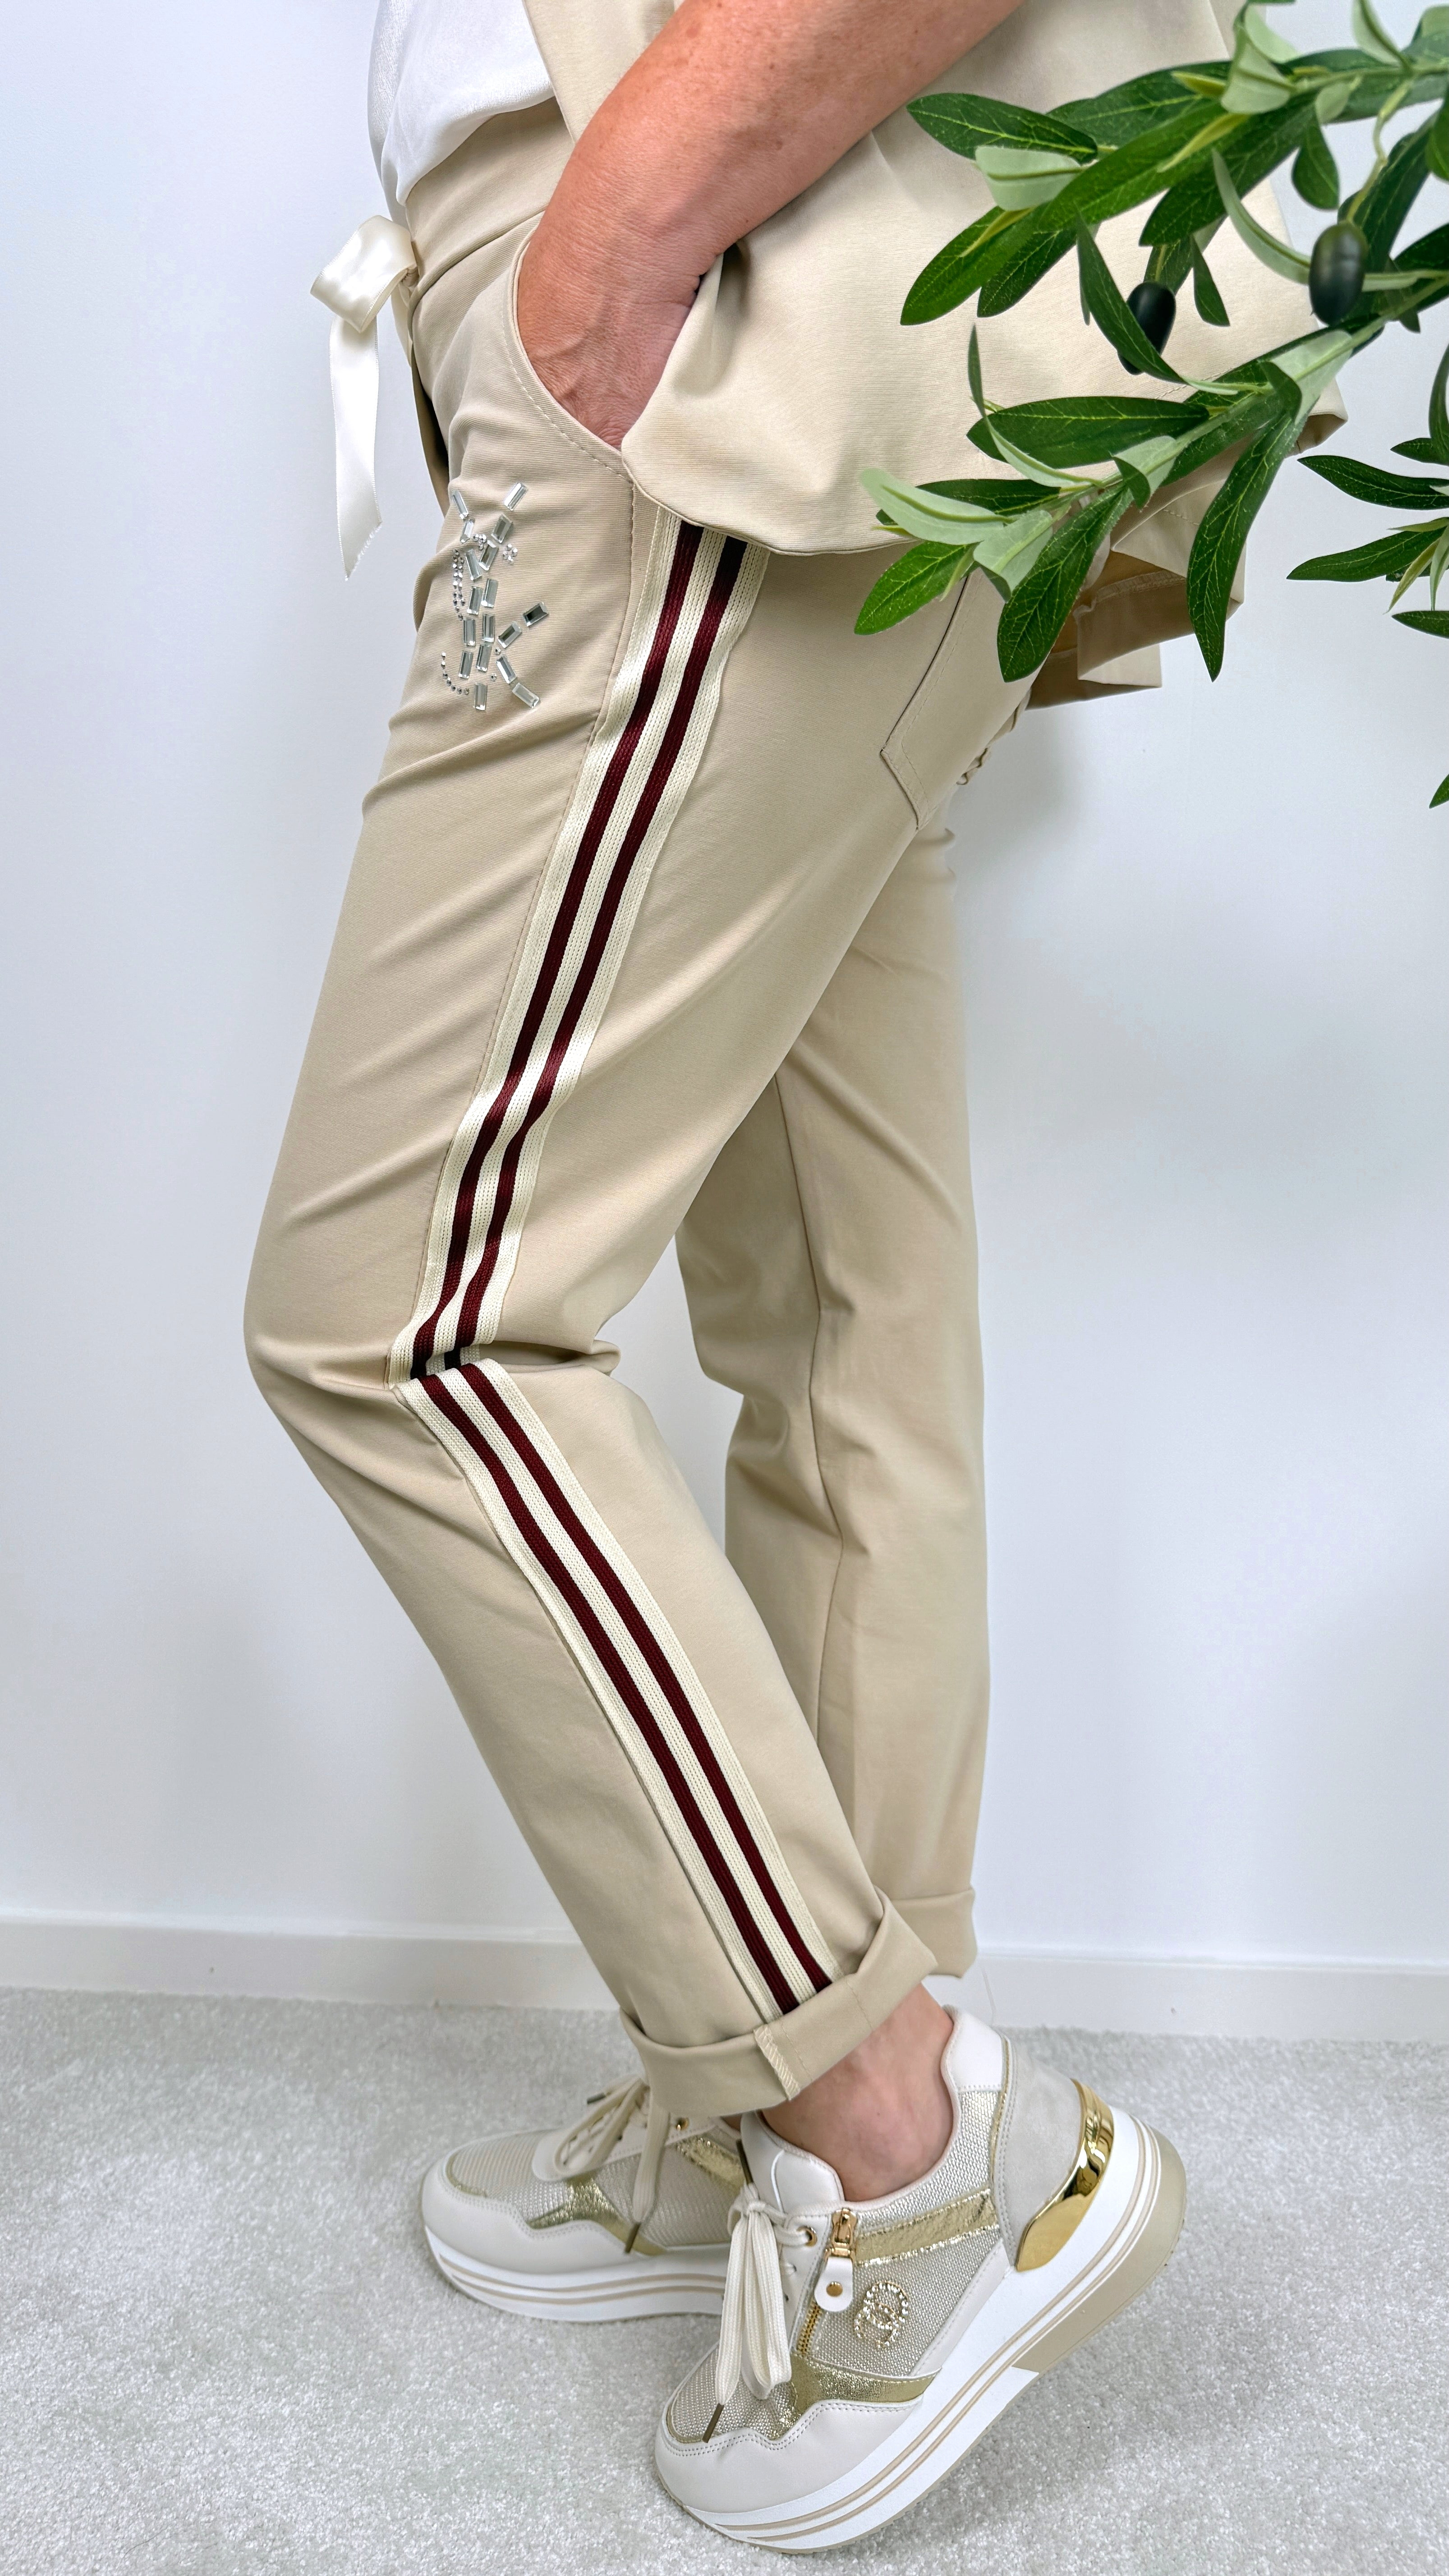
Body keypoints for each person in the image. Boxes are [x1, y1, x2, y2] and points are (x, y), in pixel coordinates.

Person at [247, 0, 1323, 2543]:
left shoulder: (648, 249)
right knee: (834, 1294)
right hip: (779, 289)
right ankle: (781, 2106)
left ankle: (890, 2136)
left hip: (724, 276)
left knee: (408, 1315)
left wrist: (621, 232)